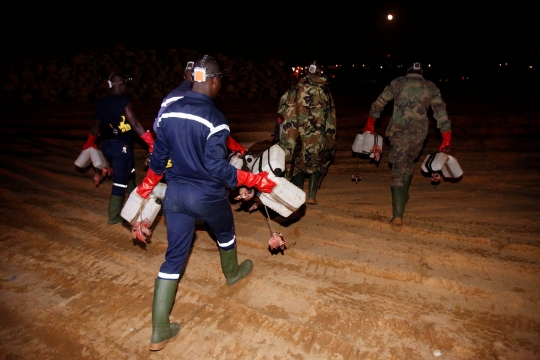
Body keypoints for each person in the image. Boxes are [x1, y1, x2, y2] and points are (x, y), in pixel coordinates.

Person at [133, 55, 277, 351]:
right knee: (226, 233)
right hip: (207, 197)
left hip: (174, 196)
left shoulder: (168, 112)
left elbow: (159, 159)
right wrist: (253, 180)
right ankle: (233, 273)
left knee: (174, 257)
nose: (220, 86)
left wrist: (147, 186)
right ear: (211, 80)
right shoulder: (216, 120)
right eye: (220, 81)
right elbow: (216, 168)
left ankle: (159, 329)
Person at [364, 62, 452, 226]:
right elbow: (441, 114)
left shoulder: (398, 82)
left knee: (398, 167)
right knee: (409, 162)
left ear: (408, 72)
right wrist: (446, 139)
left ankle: (398, 215)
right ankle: (404, 194)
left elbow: (379, 104)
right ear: (421, 73)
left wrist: (370, 124)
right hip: (419, 134)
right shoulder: (430, 87)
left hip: (399, 131)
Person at [82, 72, 154, 225]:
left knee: (130, 173)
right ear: (120, 85)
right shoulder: (124, 102)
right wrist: (151, 143)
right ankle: (114, 217)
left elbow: (96, 126)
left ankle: (136, 205)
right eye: (126, 84)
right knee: (120, 182)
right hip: (121, 147)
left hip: (107, 146)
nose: (127, 87)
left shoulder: (101, 103)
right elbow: (135, 124)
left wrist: (89, 142)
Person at [277, 60, 337, 205]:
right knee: (315, 159)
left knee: (295, 158)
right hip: (315, 133)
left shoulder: (294, 89)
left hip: (294, 130)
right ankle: (312, 196)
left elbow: (281, 109)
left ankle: (296, 192)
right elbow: (331, 118)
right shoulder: (325, 92)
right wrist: (330, 139)